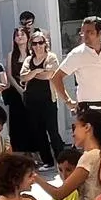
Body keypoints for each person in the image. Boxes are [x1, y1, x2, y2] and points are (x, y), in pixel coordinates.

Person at [20, 30, 65, 167]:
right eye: (34, 43)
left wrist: (33, 74)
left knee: (53, 131)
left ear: (45, 44)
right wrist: (37, 71)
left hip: (48, 100)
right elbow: (22, 77)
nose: (38, 46)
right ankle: (48, 161)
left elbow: (49, 75)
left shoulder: (51, 57)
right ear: (31, 45)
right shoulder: (28, 60)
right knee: (39, 132)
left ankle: (62, 160)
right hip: (31, 101)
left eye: (41, 42)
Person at [5, 26, 37, 156]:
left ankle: (36, 152)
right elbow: (9, 75)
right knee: (18, 123)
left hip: (33, 92)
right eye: (17, 35)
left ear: (27, 37)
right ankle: (23, 152)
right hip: (16, 94)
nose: (20, 36)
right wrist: (19, 89)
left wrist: (27, 88)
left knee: (33, 122)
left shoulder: (33, 53)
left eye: (22, 34)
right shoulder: (11, 55)